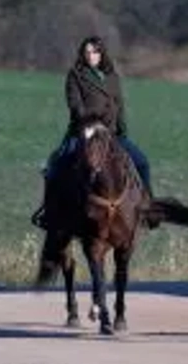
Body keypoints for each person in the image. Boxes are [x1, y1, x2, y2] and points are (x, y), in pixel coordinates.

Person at [32, 36, 152, 228]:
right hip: (84, 131)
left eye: (95, 52)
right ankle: (48, 212)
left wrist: (122, 132)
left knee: (142, 162)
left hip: (112, 134)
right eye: (87, 52)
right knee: (56, 165)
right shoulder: (75, 75)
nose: (91, 56)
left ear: (101, 53)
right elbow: (75, 105)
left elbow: (119, 106)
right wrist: (92, 121)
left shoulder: (112, 76)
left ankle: (147, 209)